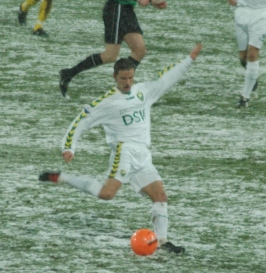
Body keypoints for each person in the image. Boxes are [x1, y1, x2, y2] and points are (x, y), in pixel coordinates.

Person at [39, 43, 203, 254]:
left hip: (144, 155)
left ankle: (162, 242)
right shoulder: (106, 102)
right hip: (124, 153)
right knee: (107, 194)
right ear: (114, 77)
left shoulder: (143, 92)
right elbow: (81, 121)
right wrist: (68, 146)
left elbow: (166, 80)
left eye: (131, 78)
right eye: (123, 79)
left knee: (160, 196)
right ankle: (61, 177)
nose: (127, 83)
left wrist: (189, 60)